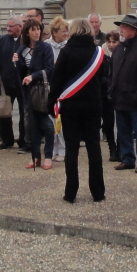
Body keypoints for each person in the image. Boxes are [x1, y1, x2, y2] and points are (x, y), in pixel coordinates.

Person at [48, 18, 106, 203]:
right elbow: (104, 79)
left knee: (71, 148)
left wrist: (51, 104)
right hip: (93, 105)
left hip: (70, 105)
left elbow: (56, 81)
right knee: (93, 147)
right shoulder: (98, 52)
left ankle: (70, 192)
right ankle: (98, 192)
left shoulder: (66, 52)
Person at [109, 15, 137, 174]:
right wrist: (111, 91)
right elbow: (112, 72)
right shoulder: (118, 49)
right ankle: (127, 158)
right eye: (121, 27)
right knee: (123, 132)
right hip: (120, 98)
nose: (121, 30)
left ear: (134, 31)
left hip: (136, 100)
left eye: (125, 27)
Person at [17, 20, 55, 169]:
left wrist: (34, 76)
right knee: (32, 126)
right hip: (28, 92)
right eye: (33, 29)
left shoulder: (45, 47)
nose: (37, 32)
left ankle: (48, 156)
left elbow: (50, 68)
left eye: (38, 29)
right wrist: (16, 63)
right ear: (27, 32)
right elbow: (20, 73)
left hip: (42, 90)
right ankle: (35, 157)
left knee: (47, 124)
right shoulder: (22, 49)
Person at [0, 17, 27, 151]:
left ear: (20, 26)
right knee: (5, 113)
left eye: (11, 26)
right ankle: (7, 140)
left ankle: (24, 140)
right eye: (7, 26)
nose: (8, 29)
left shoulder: (26, 41)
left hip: (22, 83)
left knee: (24, 113)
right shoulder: (2, 41)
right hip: (6, 82)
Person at [47, 18, 70, 161]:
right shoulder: (46, 45)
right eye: (63, 31)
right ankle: (53, 148)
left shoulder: (69, 46)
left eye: (67, 31)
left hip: (65, 87)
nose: (66, 34)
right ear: (55, 32)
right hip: (50, 86)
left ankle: (63, 149)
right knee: (51, 119)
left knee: (61, 118)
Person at [100, 30, 120, 161]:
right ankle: (112, 148)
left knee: (122, 123)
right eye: (109, 41)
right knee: (108, 123)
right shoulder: (101, 55)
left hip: (120, 93)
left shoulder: (123, 53)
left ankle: (121, 149)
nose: (111, 45)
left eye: (114, 42)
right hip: (105, 94)